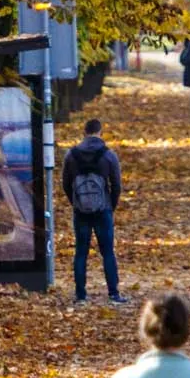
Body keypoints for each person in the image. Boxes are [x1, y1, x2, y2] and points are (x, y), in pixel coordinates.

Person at [62, 119, 127, 304]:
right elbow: (116, 185)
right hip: (103, 209)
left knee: (81, 252)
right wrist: (110, 205)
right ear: (100, 132)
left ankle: (81, 295)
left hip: (80, 210)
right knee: (107, 251)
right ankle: (114, 293)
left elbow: (65, 184)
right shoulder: (108, 155)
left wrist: (75, 202)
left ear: (84, 132)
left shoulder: (71, 155)